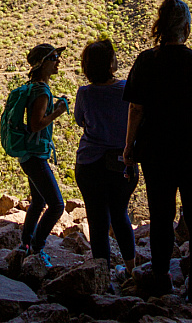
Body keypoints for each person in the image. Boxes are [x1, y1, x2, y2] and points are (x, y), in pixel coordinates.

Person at [123, 0, 192, 309]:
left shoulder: (145, 61)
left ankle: (162, 277)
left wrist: (129, 147)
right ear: (185, 27)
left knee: (161, 215)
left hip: (156, 151)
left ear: (160, 26)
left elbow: (136, 110)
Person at [74, 39, 138, 277]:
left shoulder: (85, 93)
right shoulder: (126, 89)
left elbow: (80, 121)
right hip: (122, 162)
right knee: (121, 214)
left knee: (98, 220)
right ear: (111, 64)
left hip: (89, 164)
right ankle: (132, 271)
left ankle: (103, 277)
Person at [18, 43, 69, 267]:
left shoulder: (34, 87)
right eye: (54, 57)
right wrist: (57, 112)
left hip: (28, 154)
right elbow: (36, 124)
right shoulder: (41, 91)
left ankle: (26, 244)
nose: (58, 61)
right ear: (43, 64)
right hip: (35, 156)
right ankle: (37, 249)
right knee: (57, 205)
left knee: (38, 200)